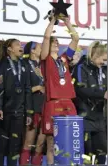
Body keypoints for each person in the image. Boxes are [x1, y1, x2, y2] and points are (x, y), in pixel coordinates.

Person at [41, 16, 79, 165]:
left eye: (57, 41)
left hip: (69, 103)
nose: (56, 42)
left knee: (70, 139)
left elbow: (75, 38)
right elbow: (46, 37)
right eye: (53, 41)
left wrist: (67, 22)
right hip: (53, 104)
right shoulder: (45, 59)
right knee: (51, 142)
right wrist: (52, 21)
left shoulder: (64, 58)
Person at [0, 39, 32, 166]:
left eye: (21, 45)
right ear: (10, 49)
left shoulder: (25, 65)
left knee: (14, 148)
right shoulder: (1, 65)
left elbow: (27, 90)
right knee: (1, 147)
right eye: (17, 45)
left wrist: (28, 113)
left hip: (19, 113)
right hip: (4, 112)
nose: (21, 46)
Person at [72, 41, 107, 164]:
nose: (104, 62)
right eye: (103, 59)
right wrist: (102, 94)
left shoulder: (103, 69)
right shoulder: (81, 67)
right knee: (87, 151)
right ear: (95, 55)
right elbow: (80, 89)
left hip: (99, 116)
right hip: (85, 115)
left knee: (102, 149)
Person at [20, 41, 46, 165]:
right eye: (40, 47)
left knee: (40, 144)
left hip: (45, 107)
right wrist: (37, 88)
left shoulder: (44, 65)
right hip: (32, 107)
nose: (42, 49)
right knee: (28, 142)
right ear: (33, 51)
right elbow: (21, 88)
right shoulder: (24, 65)